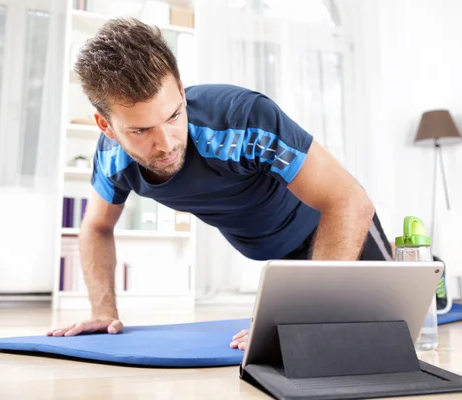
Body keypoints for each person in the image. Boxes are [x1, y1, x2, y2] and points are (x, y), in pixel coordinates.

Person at [46, 18, 393, 351]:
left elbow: (349, 200)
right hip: (278, 258)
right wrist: (104, 312)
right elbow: (96, 227)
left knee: (390, 322)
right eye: (140, 131)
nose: (166, 143)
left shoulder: (242, 119)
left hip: (334, 230)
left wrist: (308, 314)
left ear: (181, 92)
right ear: (105, 126)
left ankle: (426, 270)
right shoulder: (111, 160)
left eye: (173, 116)